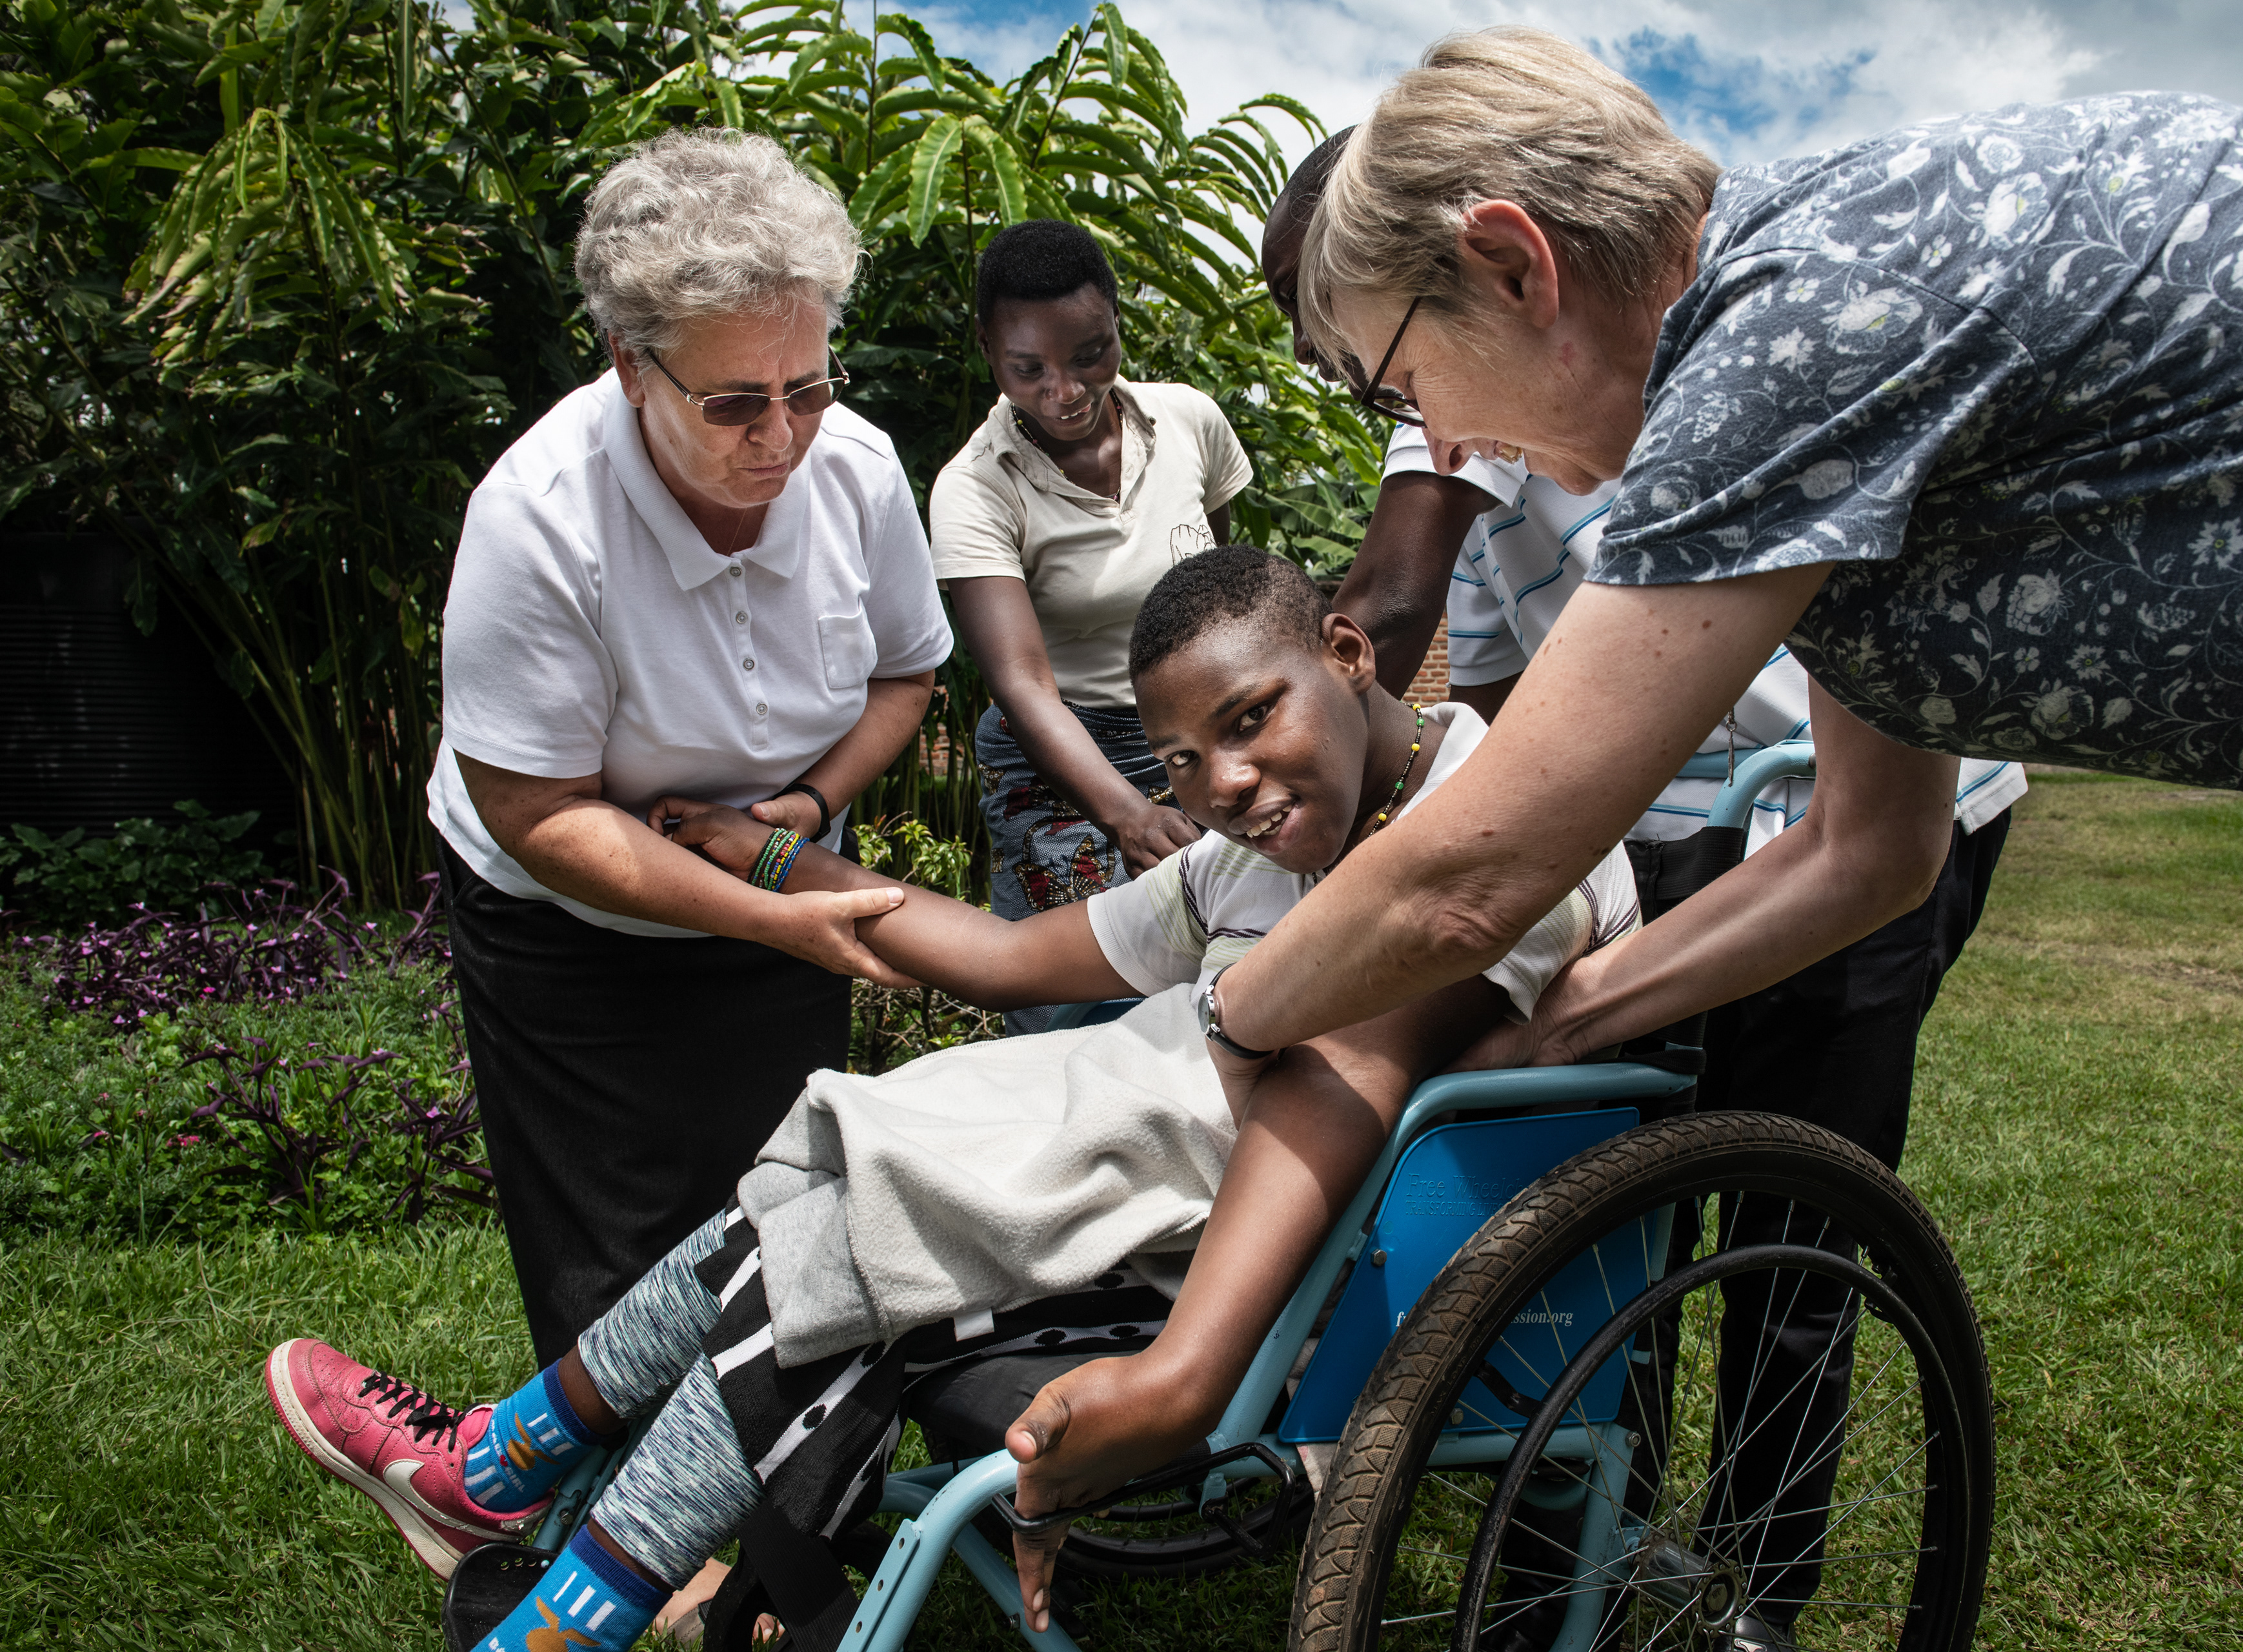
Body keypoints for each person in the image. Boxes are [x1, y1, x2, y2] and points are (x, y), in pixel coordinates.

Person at [1213, 28, 2243, 1649]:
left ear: (1515, 265)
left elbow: (1472, 871)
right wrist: (1567, 1019)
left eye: (1401, 384)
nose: (1443, 446)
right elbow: (1869, 850)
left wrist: (1228, 1016)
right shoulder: (1818, 336)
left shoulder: (1784, 329)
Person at [266, 547, 1639, 1650]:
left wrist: (1181, 1376)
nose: (1224, 783)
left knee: (850, 1252)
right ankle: (517, 1502)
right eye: (1179, 762)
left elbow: (1347, 1082)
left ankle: (525, 1525)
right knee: (835, 1198)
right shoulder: (1247, 858)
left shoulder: (1490, 830)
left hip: (1315, 1275)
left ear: (1347, 651)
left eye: (1250, 718)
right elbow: (1004, 957)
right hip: (1178, 1204)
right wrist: (774, 860)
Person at [1265, 137, 2022, 1637]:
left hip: (1852, 789)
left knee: (1791, 1204)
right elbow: (1504, 717)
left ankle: (1754, 1590)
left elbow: (1395, 597)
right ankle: (1593, 1554)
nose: (1388, 406)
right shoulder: (1463, 418)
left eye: (1361, 352)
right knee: (1616, 1203)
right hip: (1673, 824)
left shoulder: (1625, 343)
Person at [425, 129, 946, 1451]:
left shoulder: (858, 469)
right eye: (734, 405)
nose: (781, 436)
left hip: (776, 882)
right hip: (569, 922)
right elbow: (537, 812)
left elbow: (905, 674)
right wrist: (772, 913)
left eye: (808, 387)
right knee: (615, 1243)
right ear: (630, 366)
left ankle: (772, 1493)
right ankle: (614, 1515)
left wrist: (803, 814)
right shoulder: (539, 517)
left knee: (778, 1214)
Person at [930, 219, 1254, 1034]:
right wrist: (1128, 813)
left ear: (1115, 318)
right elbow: (1022, 684)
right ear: (987, 349)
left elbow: (1223, 595)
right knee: (1068, 1000)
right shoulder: (976, 488)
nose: (1066, 391)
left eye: (1090, 355)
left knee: (1219, 973)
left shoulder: (1188, 421)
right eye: (1028, 369)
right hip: (1059, 757)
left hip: (1191, 735)